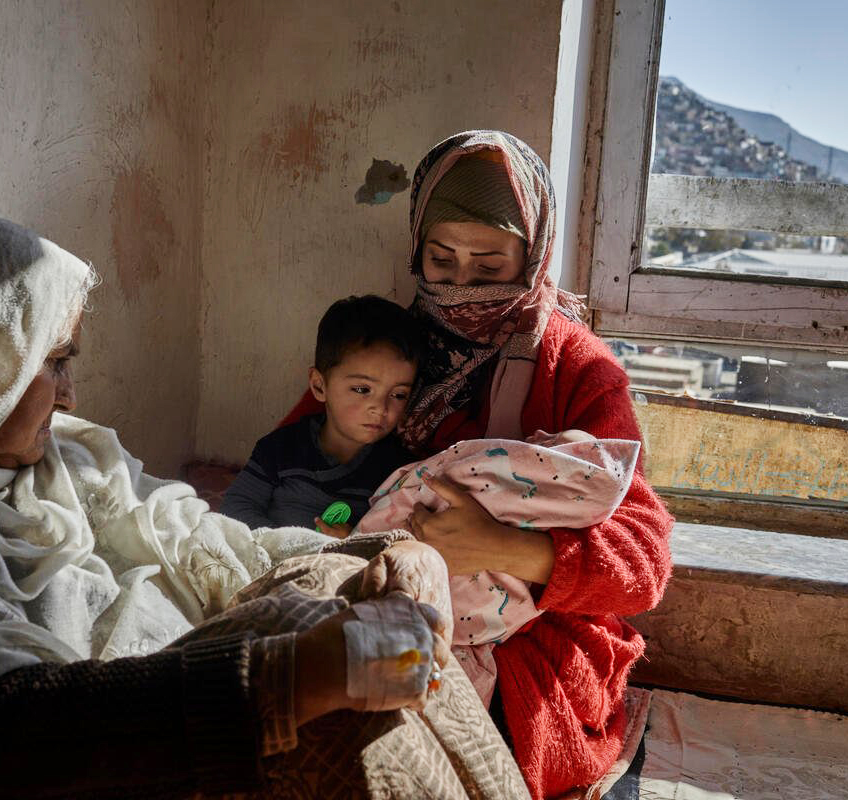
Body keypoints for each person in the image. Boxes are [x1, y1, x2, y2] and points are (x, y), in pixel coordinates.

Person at [0, 212, 527, 799]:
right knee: (332, 699)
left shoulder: (60, 460)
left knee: (351, 601)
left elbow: (202, 538)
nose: (72, 391)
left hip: (134, 717)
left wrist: (387, 561)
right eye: (54, 361)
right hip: (44, 766)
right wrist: (285, 681)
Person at [281, 131, 675, 799]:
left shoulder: (577, 366)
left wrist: (506, 549)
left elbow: (643, 563)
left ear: (534, 253)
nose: (461, 286)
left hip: (530, 636)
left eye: (489, 267)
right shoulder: (387, 346)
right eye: (441, 260)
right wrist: (332, 529)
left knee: (415, 731)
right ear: (416, 249)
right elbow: (299, 458)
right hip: (382, 588)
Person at [354, 430, 640, 706]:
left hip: (530, 665)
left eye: (552, 440)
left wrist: (499, 547)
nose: (538, 434)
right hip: (398, 582)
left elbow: (637, 571)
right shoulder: (392, 399)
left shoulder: (588, 411)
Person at [221, 294, 422, 536]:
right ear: (319, 386)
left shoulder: (399, 473)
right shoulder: (281, 448)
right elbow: (236, 506)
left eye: (398, 394)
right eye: (362, 389)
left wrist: (351, 544)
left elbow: (400, 542)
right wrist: (279, 546)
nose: (380, 407)